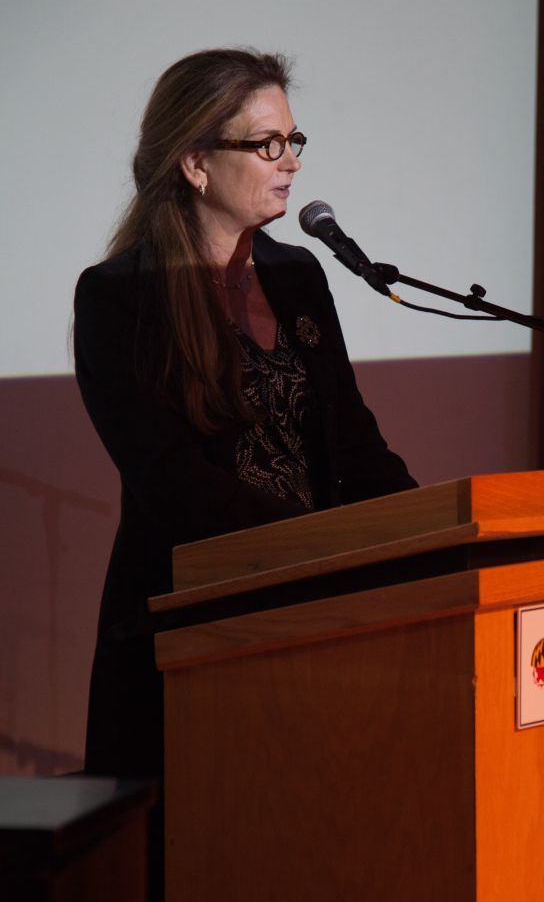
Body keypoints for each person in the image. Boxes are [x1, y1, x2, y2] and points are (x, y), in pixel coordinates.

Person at [74, 48, 416, 780]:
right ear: (196, 164)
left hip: (312, 621)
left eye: (294, 140)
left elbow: (353, 444)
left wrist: (433, 532)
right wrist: (320, 541)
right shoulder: (119, 297)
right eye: (267, 144)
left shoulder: (298, 275)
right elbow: (168, 482)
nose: (289, 161)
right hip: (190, 632)